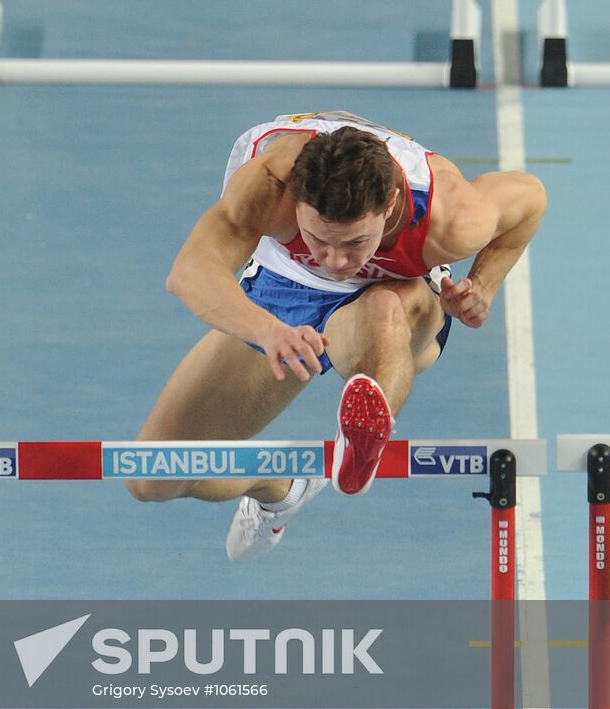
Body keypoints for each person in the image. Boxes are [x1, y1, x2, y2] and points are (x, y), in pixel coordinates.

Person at [126, 111, 546, 562]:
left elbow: (530, 200)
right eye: (318, 239)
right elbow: (190, 271)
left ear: (387, 208)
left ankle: (365, 435)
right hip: (284, 292)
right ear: (295, 204)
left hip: (397, 299)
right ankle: (279, 487)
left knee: (384, 308)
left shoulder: (451, 216)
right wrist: (266, 330)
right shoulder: (269, 185)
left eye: (353, 243)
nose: (336, 260)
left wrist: (482, 285)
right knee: (153, 478)